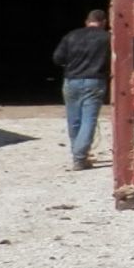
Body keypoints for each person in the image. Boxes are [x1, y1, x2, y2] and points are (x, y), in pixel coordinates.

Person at [52, 9, 111, 171]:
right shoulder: (108, 38)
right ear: (104, 22)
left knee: (74, 120)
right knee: (88, 120)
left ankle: (78, 155)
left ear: (87, 21)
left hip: (71, 81)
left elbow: (57, 59)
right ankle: (79, 157)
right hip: (95, 81)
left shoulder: (71, 35)